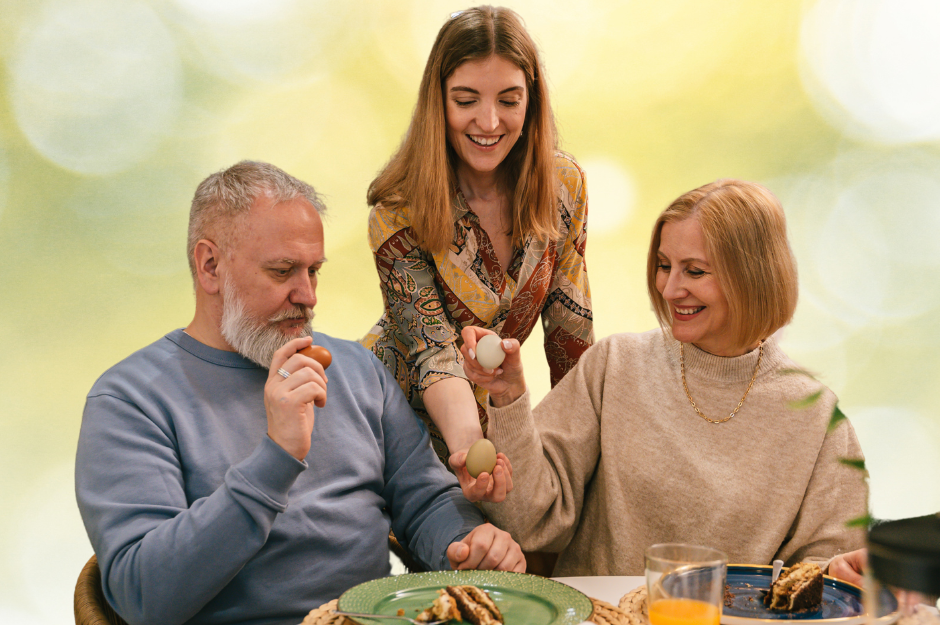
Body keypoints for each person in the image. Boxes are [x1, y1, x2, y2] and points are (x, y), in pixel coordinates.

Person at [75, 161, 524, 625]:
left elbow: (427, 501)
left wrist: (467, 543)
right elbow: (143, 597)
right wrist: (277, 457)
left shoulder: (356, 370)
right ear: (210, 266)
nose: (307, 295)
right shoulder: (130, 401)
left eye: (313, 271)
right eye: (283, 270)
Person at [457, 179, 868, 575]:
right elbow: (530, 520)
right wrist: (508, 396)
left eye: (695, 271)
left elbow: (828, 571)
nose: (670, 290)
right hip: (601, 611)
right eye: (664, 266)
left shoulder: (817, 417)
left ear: (752, 276)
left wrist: (838, 572)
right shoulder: (615, 366)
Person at [360, 6, 594, 499]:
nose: (489, 122)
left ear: (531, 100)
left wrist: (583, 460)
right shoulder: (396, 211)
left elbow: (571, 336)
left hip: (494, 425)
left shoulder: (564, 185)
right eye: (466, 100)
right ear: (438, 101)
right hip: (389, 423)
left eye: (509, 100)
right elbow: (434, 352)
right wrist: (470, 447)